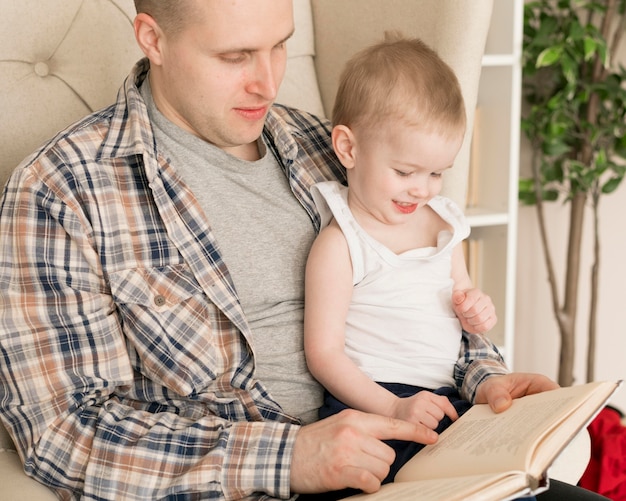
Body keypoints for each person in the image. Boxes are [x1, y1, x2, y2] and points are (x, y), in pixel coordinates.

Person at [0, 1, 608, 500]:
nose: (268, 81)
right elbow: (64, 431)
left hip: (416, 458)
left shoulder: (326, 143)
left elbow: (425, 286)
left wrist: (484, 382)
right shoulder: (62, 190)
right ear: (152, 39)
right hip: (256, 482)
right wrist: (292, 457)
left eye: (280, 44)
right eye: (235, 55)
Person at [304, 35, 497, 483]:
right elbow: (324, 355)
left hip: (448, 394)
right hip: (374, 404)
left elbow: (463, 302)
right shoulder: (340, 245)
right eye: (405, 172)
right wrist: (393, 407)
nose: (423, 189)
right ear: (349, 149)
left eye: (436, 173)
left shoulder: (443, 224)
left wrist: (475, 309)